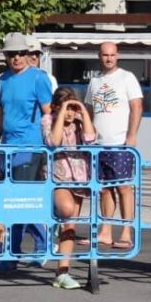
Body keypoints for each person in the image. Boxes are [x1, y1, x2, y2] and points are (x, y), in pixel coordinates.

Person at [0, 32, 53, 275]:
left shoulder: (39, 78)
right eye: (12, 54)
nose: (17, 58)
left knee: (17, 203)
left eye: (21, 53)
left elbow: (47, 114)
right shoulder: (2, 80)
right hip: (7, 149)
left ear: (28, 54)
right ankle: (40, 242)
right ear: (5, 56)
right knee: (7, 203)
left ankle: (13, 254)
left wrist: (49, 149)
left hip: (30, 148)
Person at [84, 42, 143, 250]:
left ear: (117, 56)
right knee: (104, 189)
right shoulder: (95, 81)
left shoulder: (127, 77)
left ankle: (126, 232)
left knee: (124, 187)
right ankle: (106, 232)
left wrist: (132, 135)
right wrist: (87, 136)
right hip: (98, 144)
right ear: (99, 56)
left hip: (120, 142)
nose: (109, 58)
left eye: (112, 55)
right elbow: (89, 110)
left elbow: (137, 106)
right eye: (105, 55)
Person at [42, 87, 97, 290]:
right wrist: (61, 111)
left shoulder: (79, 122)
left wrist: (83, 111)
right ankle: (51, 221)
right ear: (56, 107)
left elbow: (91, 140)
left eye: (72, 108)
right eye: (66, 108)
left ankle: (62, 272)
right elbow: (52, 142)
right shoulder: (48, 120)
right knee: (66, 210)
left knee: (70, 225)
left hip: (79, 179)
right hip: (57, 177)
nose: (70, 113)